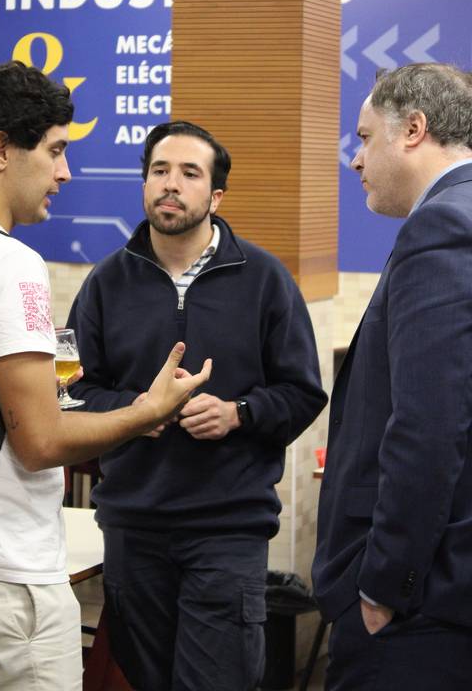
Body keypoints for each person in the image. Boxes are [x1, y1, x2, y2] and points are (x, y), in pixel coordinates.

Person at [0, 63, 212, 691]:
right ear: (1, 149)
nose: (66, 173)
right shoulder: (10, 263)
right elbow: (38, 443)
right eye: (56, 150)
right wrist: (147, 411)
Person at [67, 120, 327, 691]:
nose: (170, 185)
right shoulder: (106, 282)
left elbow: (304, 391)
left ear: (215, 196)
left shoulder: (264, 279)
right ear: (143, 185)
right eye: (159, 171)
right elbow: (71, 393)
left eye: (189, 173)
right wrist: (139, 412)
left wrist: (239, 414)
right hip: (134, 528)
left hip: (227, 528)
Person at [313, 63, 472, 690]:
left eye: (363, 136)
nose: (354, 158)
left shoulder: (443, 226)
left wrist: (384, 587)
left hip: (420, 607)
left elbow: (430, 427)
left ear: (414, 130)